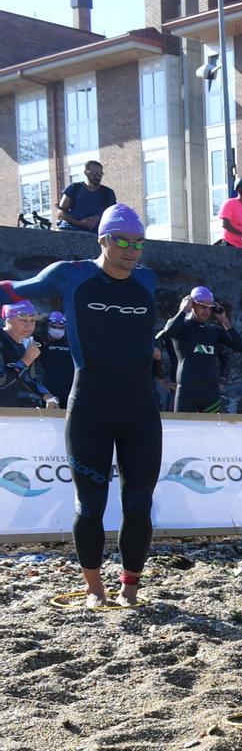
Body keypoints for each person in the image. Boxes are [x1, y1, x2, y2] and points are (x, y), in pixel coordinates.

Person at [2, 204, 163, 606]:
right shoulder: (71, 274)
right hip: (89, 407)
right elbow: (14, 289)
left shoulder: (147, 280)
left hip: (140, 410)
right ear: (103, 240)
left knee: (140, 503)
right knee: (91, 504)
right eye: (123, 241)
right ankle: (94, 589)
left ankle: (130, 587)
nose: (132, 250)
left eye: (138, 243)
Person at [155, 286, 242, 412]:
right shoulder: (180, 327)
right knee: (183, 431)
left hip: (211, 394)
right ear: (192, 304)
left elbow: (241, 347)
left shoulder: (214, 331)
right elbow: (161, 338)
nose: (206, 311)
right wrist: (161, 379)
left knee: (211, 431)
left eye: (210, 307)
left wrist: (224, 320)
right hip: (186, 391)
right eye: (202, 306)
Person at [1, 302, 59, 408]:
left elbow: (26, 378)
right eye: (23, 320)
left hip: (11, 412)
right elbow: (1, 381)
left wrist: (47, 396)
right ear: (7, 319)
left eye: (32, 320)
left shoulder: (22, 343)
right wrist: (27, 359)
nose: (29, 325)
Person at [56, 161, 116, 235]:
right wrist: (79, 223)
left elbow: (113, 214)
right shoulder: (74, 188)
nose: (97, 176)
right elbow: (61, 212)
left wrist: (98, 218)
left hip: (96, 232)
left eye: (100, 174)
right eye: (93, 173)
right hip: (70, 229)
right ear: (86, 173)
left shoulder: (108, 192)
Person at [33, 310, 75, 409]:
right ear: (47, 326)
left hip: (69, 389)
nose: (57, 329)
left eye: (61, 327)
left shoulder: (71, 343)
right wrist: (42, 317)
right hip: (49, 389)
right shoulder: (41, 342)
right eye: (54, 327)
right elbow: (27, 337)